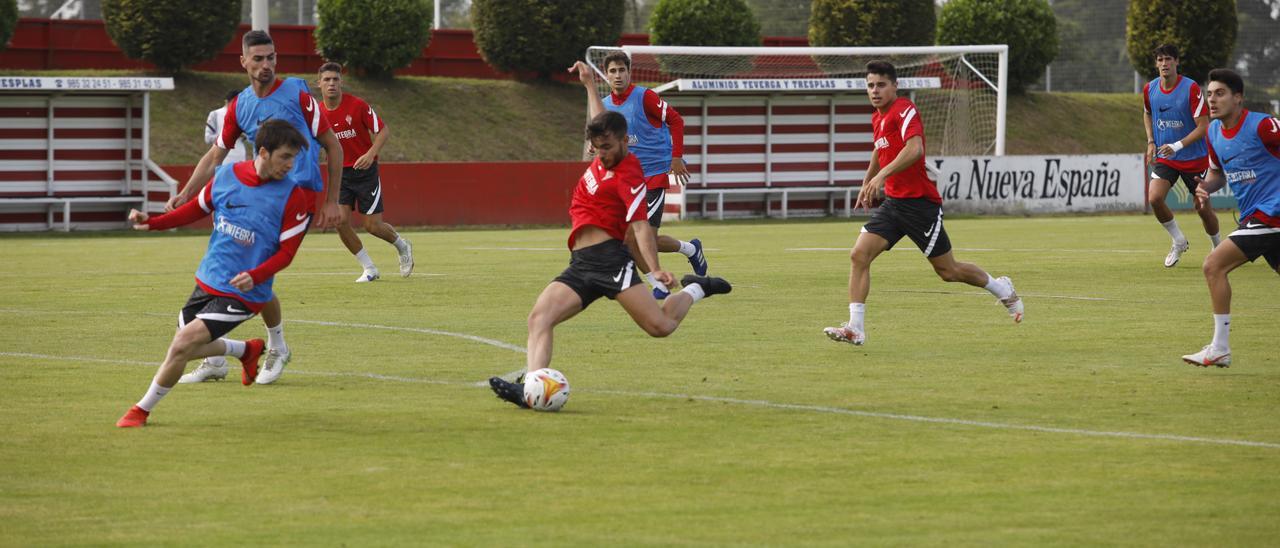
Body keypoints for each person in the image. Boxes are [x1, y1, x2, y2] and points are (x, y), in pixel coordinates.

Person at [488, 111, 732, 408]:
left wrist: (654, 270)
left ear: (624, 140)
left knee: (661, 326)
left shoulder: (629, 175)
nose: (601, 154)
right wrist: (590, 83)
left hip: (611, 263)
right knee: (539, 319)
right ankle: (530, 390)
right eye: (597, 147)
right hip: (581, 264)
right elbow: (598, 115)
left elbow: (641, 226)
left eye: (607, 147)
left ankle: (697, 288)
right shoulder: (604, 150)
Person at [168, 30, 344, 386]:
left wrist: (332, 200)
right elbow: (215, 155)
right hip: (257, 199)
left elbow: (332, 146)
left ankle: (273, 347)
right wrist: (187, 193)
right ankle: (224, 357)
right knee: (240, 272)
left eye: (272, 58)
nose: (267, 66)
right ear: (244, 62)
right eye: (259, 59)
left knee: (256, 274)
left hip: (298, 199)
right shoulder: (239, 106)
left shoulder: (297, 92)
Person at [116, 120, 314, 427]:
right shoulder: (227, 175)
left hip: (244, 293)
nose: (291, 165)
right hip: (208, 279)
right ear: (263, 151)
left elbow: (287, 254)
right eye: (285, 157)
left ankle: (140, 411)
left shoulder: (294, 197)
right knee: (187, 345)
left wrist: (256, 275)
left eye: (294, 158)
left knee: (182, 344)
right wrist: (153, 222)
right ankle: (246, 350)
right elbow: (196, 208)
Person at [822, 61, 1024, 346]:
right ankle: (856, 327)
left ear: (895, 86)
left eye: (881, 85)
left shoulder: (904, 109)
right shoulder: (878, 118)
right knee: (858, 256)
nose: (875, 91)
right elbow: (879, 151)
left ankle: (1001, 287)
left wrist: (881, 176)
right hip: (894, 205)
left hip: (920, 205)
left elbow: (914, 149)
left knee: (948, 271)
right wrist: (868, 182)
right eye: (870, 85)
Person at [569, 53, 708, 300]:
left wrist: (676, 158)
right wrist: (594, 145)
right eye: (612, 71)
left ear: (629, 72)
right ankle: (673, 266)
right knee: (628, 239)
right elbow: (602, 138)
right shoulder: (604, 104)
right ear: (606, 74)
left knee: (644, 238)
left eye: (622, 70)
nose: (618, 75)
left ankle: (663, 277)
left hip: (653, 175)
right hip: (626, 181)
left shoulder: (645, 97)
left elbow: (676, 120)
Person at [1181, 68, 1280, 368]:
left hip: (1272, 215)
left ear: (1238, 98)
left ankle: (1220, 348)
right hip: (1256, 216)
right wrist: (1204, 188)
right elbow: (1216, 172)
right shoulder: (1213, 132)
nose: (1212, 99)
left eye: (1220, 93)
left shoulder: (1264, 126)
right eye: (1209, 94)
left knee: (1213, 265)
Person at [315, 62, 414, 282]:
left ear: (341, 82)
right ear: (319, 83)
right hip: (340, 174)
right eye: (327, 79)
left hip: (365, 173)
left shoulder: (357, 105)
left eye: (335, 79)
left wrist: (370, 154)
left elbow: (383, 130)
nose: (331, 83)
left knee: (372, 226)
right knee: (339, 221)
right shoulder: (317, 113)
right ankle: (369, 268)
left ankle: (402, 245)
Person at [1142, 44, 1220, 267]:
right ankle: (1178, 241)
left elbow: (1204, 126)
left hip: (1195, 159)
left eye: (1168, 59)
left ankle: (1218, 250)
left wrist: (1177, 145)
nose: (1164, 63)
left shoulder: (1191, 88)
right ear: (1156, 63)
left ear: (1177, 62)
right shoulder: (1150, 89)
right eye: (1160, 60)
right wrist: (1150, 142)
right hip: (1167, 158)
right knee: (1155, 198)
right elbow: (1147, 113)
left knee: (1202, 208)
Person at [206, 89, 249, 165]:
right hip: (222, 157)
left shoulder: (243, 115)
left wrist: (243, 135)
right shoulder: (215, 114)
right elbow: (208, 138)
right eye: (235, 102)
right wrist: (227, 136)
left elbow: (249, 136)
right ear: (227, 101)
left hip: (240, 156)